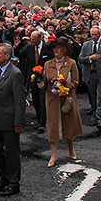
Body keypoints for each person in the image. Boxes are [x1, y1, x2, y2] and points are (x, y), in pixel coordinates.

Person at [0, 44, 25, 196]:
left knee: (11, 152)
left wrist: (18, 122)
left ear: (7, 55)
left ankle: (14, 182)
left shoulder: (15, 74)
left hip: (9, 119)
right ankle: (5, 177)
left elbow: (20, 100)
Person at [43, 39, 82, 167]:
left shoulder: (71, 63)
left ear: (64, 50)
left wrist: (66, 87)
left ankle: (71, 149)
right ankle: (53, 155)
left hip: (67, 98)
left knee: (69, 123)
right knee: (53, 126)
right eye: (55, 48)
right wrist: (38, 81)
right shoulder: (48, 64)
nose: (56, 50)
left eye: (59, 48)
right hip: (52, 99)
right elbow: (43, 83)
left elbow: (76, 81)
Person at [78, 27, 101, 128]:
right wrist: (90, 58)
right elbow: (80, 58)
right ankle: (94, 115)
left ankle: (100, 118)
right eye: (92, 35)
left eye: (95, 35)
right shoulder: (86, 45)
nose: (93, 37)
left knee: (100, 97)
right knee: (93, 97)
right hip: (90, 74)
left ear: (100, 34)